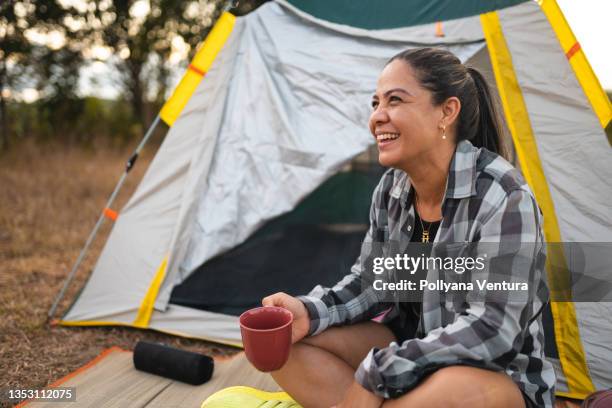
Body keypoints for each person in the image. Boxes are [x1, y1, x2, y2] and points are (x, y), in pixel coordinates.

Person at [262, 47, 555, 408]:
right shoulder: (390, 190)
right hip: (410, 358)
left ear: (446, 112)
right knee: (286, 343)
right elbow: (372, 282)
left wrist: (380, 370)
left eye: (394, 100)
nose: (377, 117)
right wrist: (308, 311)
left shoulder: (504, 197)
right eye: (375, 103)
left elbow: (493, 329)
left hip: (493, 378)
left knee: (454, 387)